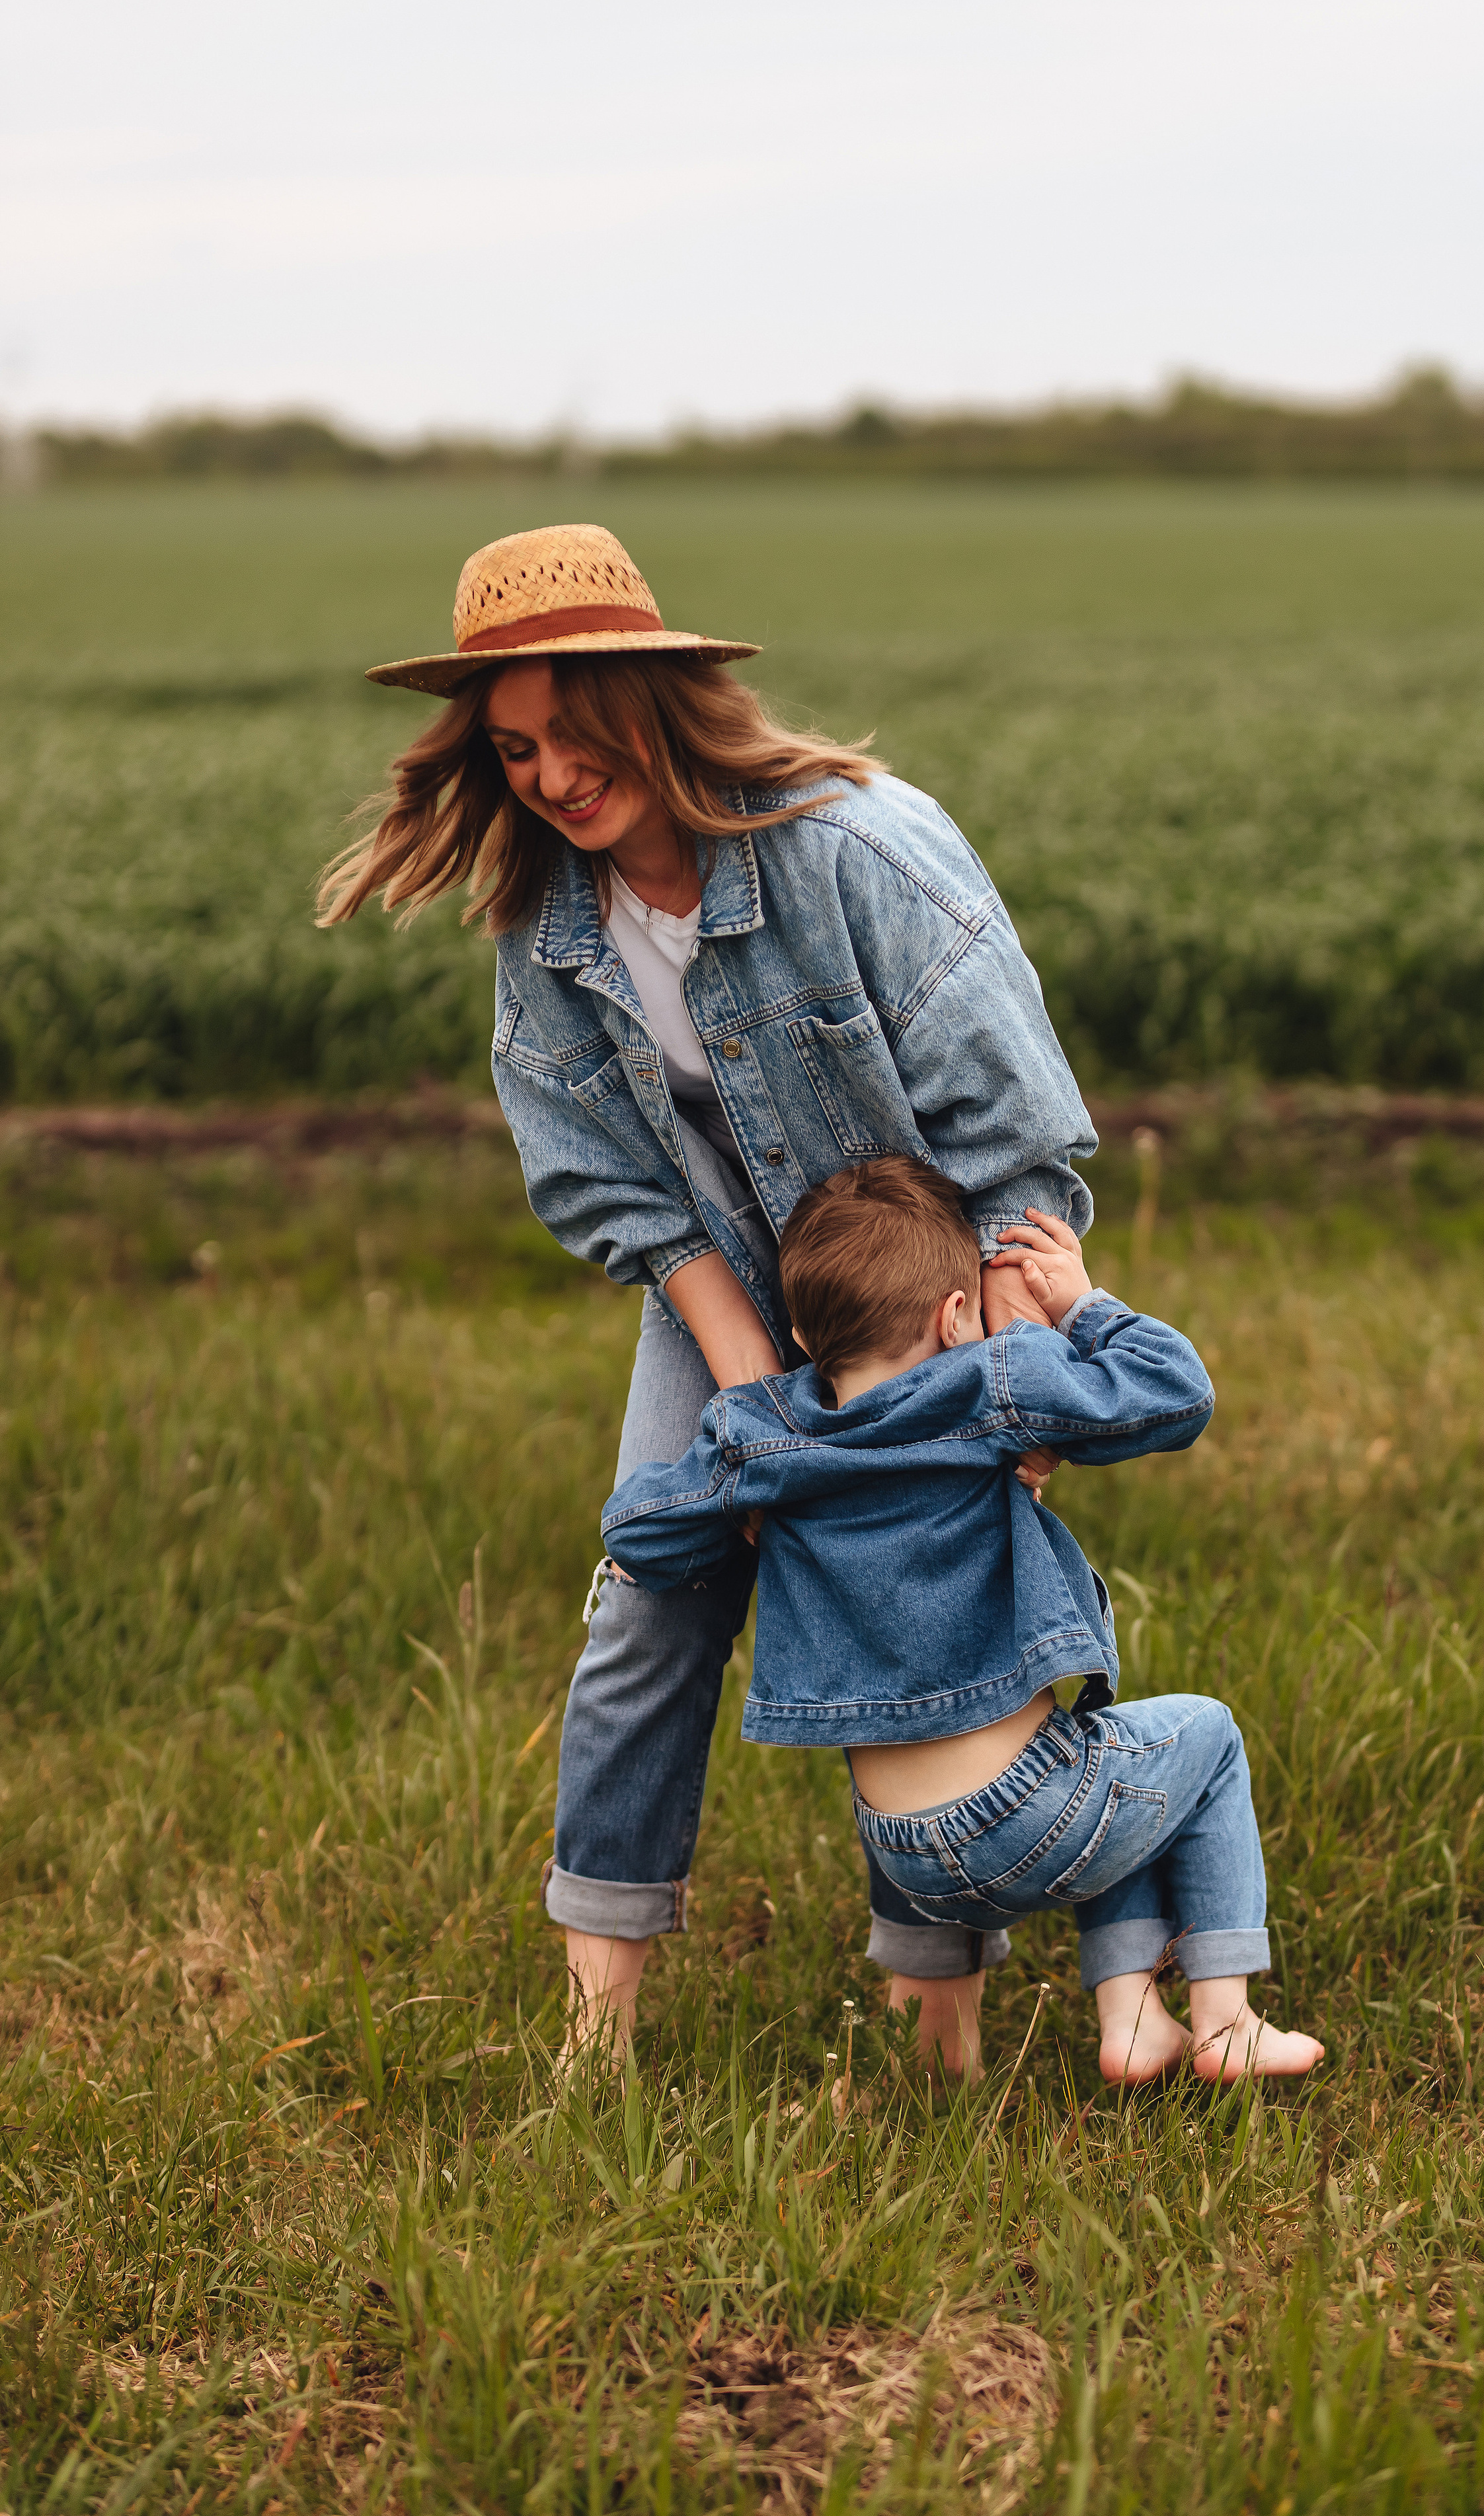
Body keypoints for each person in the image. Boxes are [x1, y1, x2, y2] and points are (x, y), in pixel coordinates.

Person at [318, 522, 1099, 2059]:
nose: (547, 777)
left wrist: (1014, 1362)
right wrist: (744, 1385)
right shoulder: (547, 923)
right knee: (652, 1590)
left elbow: (1011, 1136)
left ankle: (936, 2031)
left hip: (916, 1280)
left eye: (571, 730)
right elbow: (606, 1181)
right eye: (515, 747)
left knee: (917, 1603)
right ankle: (595, 2039)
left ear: (654, 699)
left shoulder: (862, 847)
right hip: (722, 1291)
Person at [601, 1158, 1325, 2085]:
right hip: (1026, 1814)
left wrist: (738, 1509)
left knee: (1123, 1764)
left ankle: (1134, 2022)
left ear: (799, 1333)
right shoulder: (988, 1381)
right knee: (1205, 1741)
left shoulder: (763, 1430)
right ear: (953, 1317)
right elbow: (1177, 1393)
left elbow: (639, 1530)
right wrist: (1083, 1307)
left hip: (902, 1853)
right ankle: (1226, 2020)